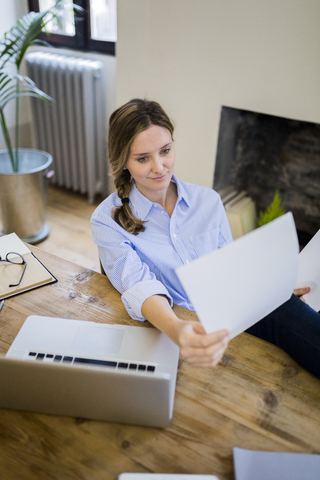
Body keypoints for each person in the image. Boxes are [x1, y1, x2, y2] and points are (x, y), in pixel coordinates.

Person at [91, 98, 320, 379]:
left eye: (165, 151)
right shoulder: (107, 220)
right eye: (142, 158)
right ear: (123, 161)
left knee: (291, 309)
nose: (159, 167)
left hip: (231, 308)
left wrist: (270, 288)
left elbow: (228, 267)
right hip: (179, 320)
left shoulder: (208, 201)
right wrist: (176, 329)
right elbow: (138, 284)